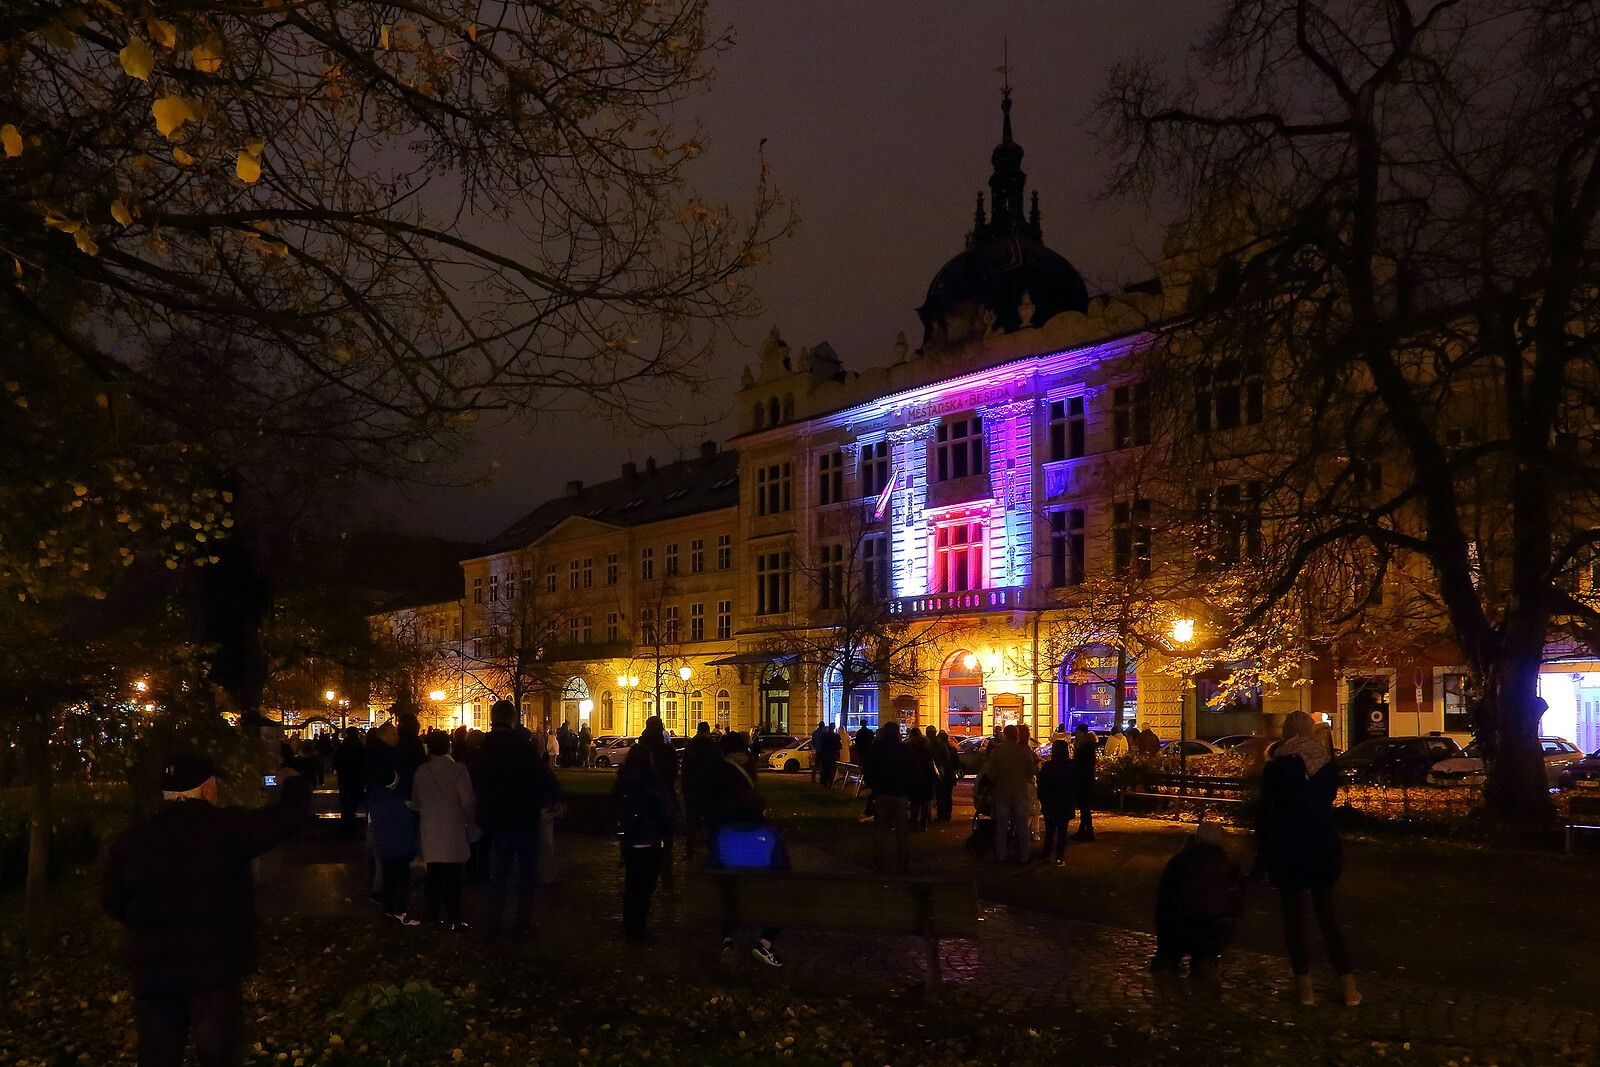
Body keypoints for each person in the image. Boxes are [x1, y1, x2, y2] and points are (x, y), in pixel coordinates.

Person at [102, 752, 312, 1067]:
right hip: (212, 971)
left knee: (158, 1056)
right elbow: (286, 818)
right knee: (219, 1055)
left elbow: (112, 901)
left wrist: (148, 927)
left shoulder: (132, 840)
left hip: (155, 975)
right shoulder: (225, 828)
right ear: (207, 789)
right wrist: (294, 782)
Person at [1258, 710, 1360, 1007]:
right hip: (1322, 846)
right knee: (1327, 917)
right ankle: (1349, 987)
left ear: (1287, 734)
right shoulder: (1326, 764)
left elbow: (1266, 813)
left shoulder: (1277, 767)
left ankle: (1305, 990)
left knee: (1294, 921)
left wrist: (1264, 852)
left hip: (1290, 848)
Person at [477, 699, 560, 941]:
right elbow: (542, 774)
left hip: (499, 818)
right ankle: (522, 923)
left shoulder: (486, 747)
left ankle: (493, 923)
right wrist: (553, 796)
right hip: (523, 817)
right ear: (513, 719)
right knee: (526, 875)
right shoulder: (521, 745)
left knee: (500, 873)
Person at [1152, 820, 1243, 979]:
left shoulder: (1179, 863)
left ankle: (1168, 961)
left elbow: (1164, 898)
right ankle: (1205, 962)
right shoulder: (1231, 869)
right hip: (1216, 932)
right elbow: (1236, 906)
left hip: (1180, 927)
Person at [410, 730, 477, 931]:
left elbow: (416, 801)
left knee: (433, 875)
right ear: (449, 746)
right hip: (453, 828)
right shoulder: (458, 770)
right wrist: (469, 817)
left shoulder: (421, 771)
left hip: (430, 829)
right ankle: (454, 918)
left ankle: (433, 916)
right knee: (454, 878)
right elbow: (468, 801)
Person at [613, 744, 676, 944]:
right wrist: (668, 830)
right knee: (645, 887)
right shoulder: (653, 781)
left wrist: (621, 832)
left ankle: (630, 926)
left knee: (632, 883)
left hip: (630, 840)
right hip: (650, 840)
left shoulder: (623, 780)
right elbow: (665, 810)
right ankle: (638, 928)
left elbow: (614, 807)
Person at [366, 720, 420, 923]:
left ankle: (389, 905)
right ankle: (397, 907)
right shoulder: (387, 758)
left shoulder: (376, 754)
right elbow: (392, 781)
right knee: (397, 863)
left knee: (387, 861)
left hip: (384, 813)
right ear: (385, 735)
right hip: (393, 814)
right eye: (394, 734)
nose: (397, 737)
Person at [866, 722, 918, 873]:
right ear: (897, 733)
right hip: (900, 793)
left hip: (882, 792)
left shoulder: (876, 748)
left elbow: (868, 769)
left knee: (880, 830)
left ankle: (879, 864)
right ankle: (903, 865)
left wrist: (873, 786)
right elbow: (913, 770)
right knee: (902, 831)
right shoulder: (904, 749)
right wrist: (909, 788)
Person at [984, 724, 1035, 862]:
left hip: (1002, 793)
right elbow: (1030, 773)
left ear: (1005, 735)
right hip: (1020, 793)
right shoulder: (1024, 751)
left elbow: (991, 774)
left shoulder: (997, 752)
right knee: (1022, 826)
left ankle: (1001, 854)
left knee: (1001, 826)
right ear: (1017, 735)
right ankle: (1024, 855)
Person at [681, 721, 723, 861]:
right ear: (708, 731)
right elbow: (718, 768)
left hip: (693, 789)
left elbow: (685, 769)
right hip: (709, 789)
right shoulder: (713, 747)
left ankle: (690, 851)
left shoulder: (691, 747)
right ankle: (712, 850)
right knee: (710, 821)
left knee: (691, 822)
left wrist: (685, 788)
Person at [1036, 739, 1076, 864]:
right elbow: (1076, 785)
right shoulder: (1071, 766)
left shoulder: (1048, 766)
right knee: (1062, 831)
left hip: (1050, 803)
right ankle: (1059, 857)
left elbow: (1041, 785)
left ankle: (1047, 855)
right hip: (1065, 803)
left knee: (1050, 831)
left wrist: (1043, 800)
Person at [332, 727, 367, 840]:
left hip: (345, 780)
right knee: (353, 805)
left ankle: (347, 830)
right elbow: (364, 763)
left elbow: (336, 762)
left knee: (347, 807)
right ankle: (351, 830)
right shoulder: (359, 746)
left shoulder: (343, 747)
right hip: (356, 779)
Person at [1072, 723, 1097, 841]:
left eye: (1077, 732)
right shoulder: (1086, 745)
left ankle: (1088, 831)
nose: (1076, 735)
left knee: (1084, 807)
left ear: (1082, 733)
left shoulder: (1085, 747)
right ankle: (1084, 830)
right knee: (1084, 808)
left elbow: (1081, 764)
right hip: (1085, 780)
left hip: (1084, 781)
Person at [933, 730, 958, 821]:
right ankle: (947, 814)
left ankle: (941, 815)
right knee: (948, 795)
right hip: (950, 774)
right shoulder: (952, 748)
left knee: (941, 795)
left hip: (943, 774)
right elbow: (956, 762)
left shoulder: (939, 748)